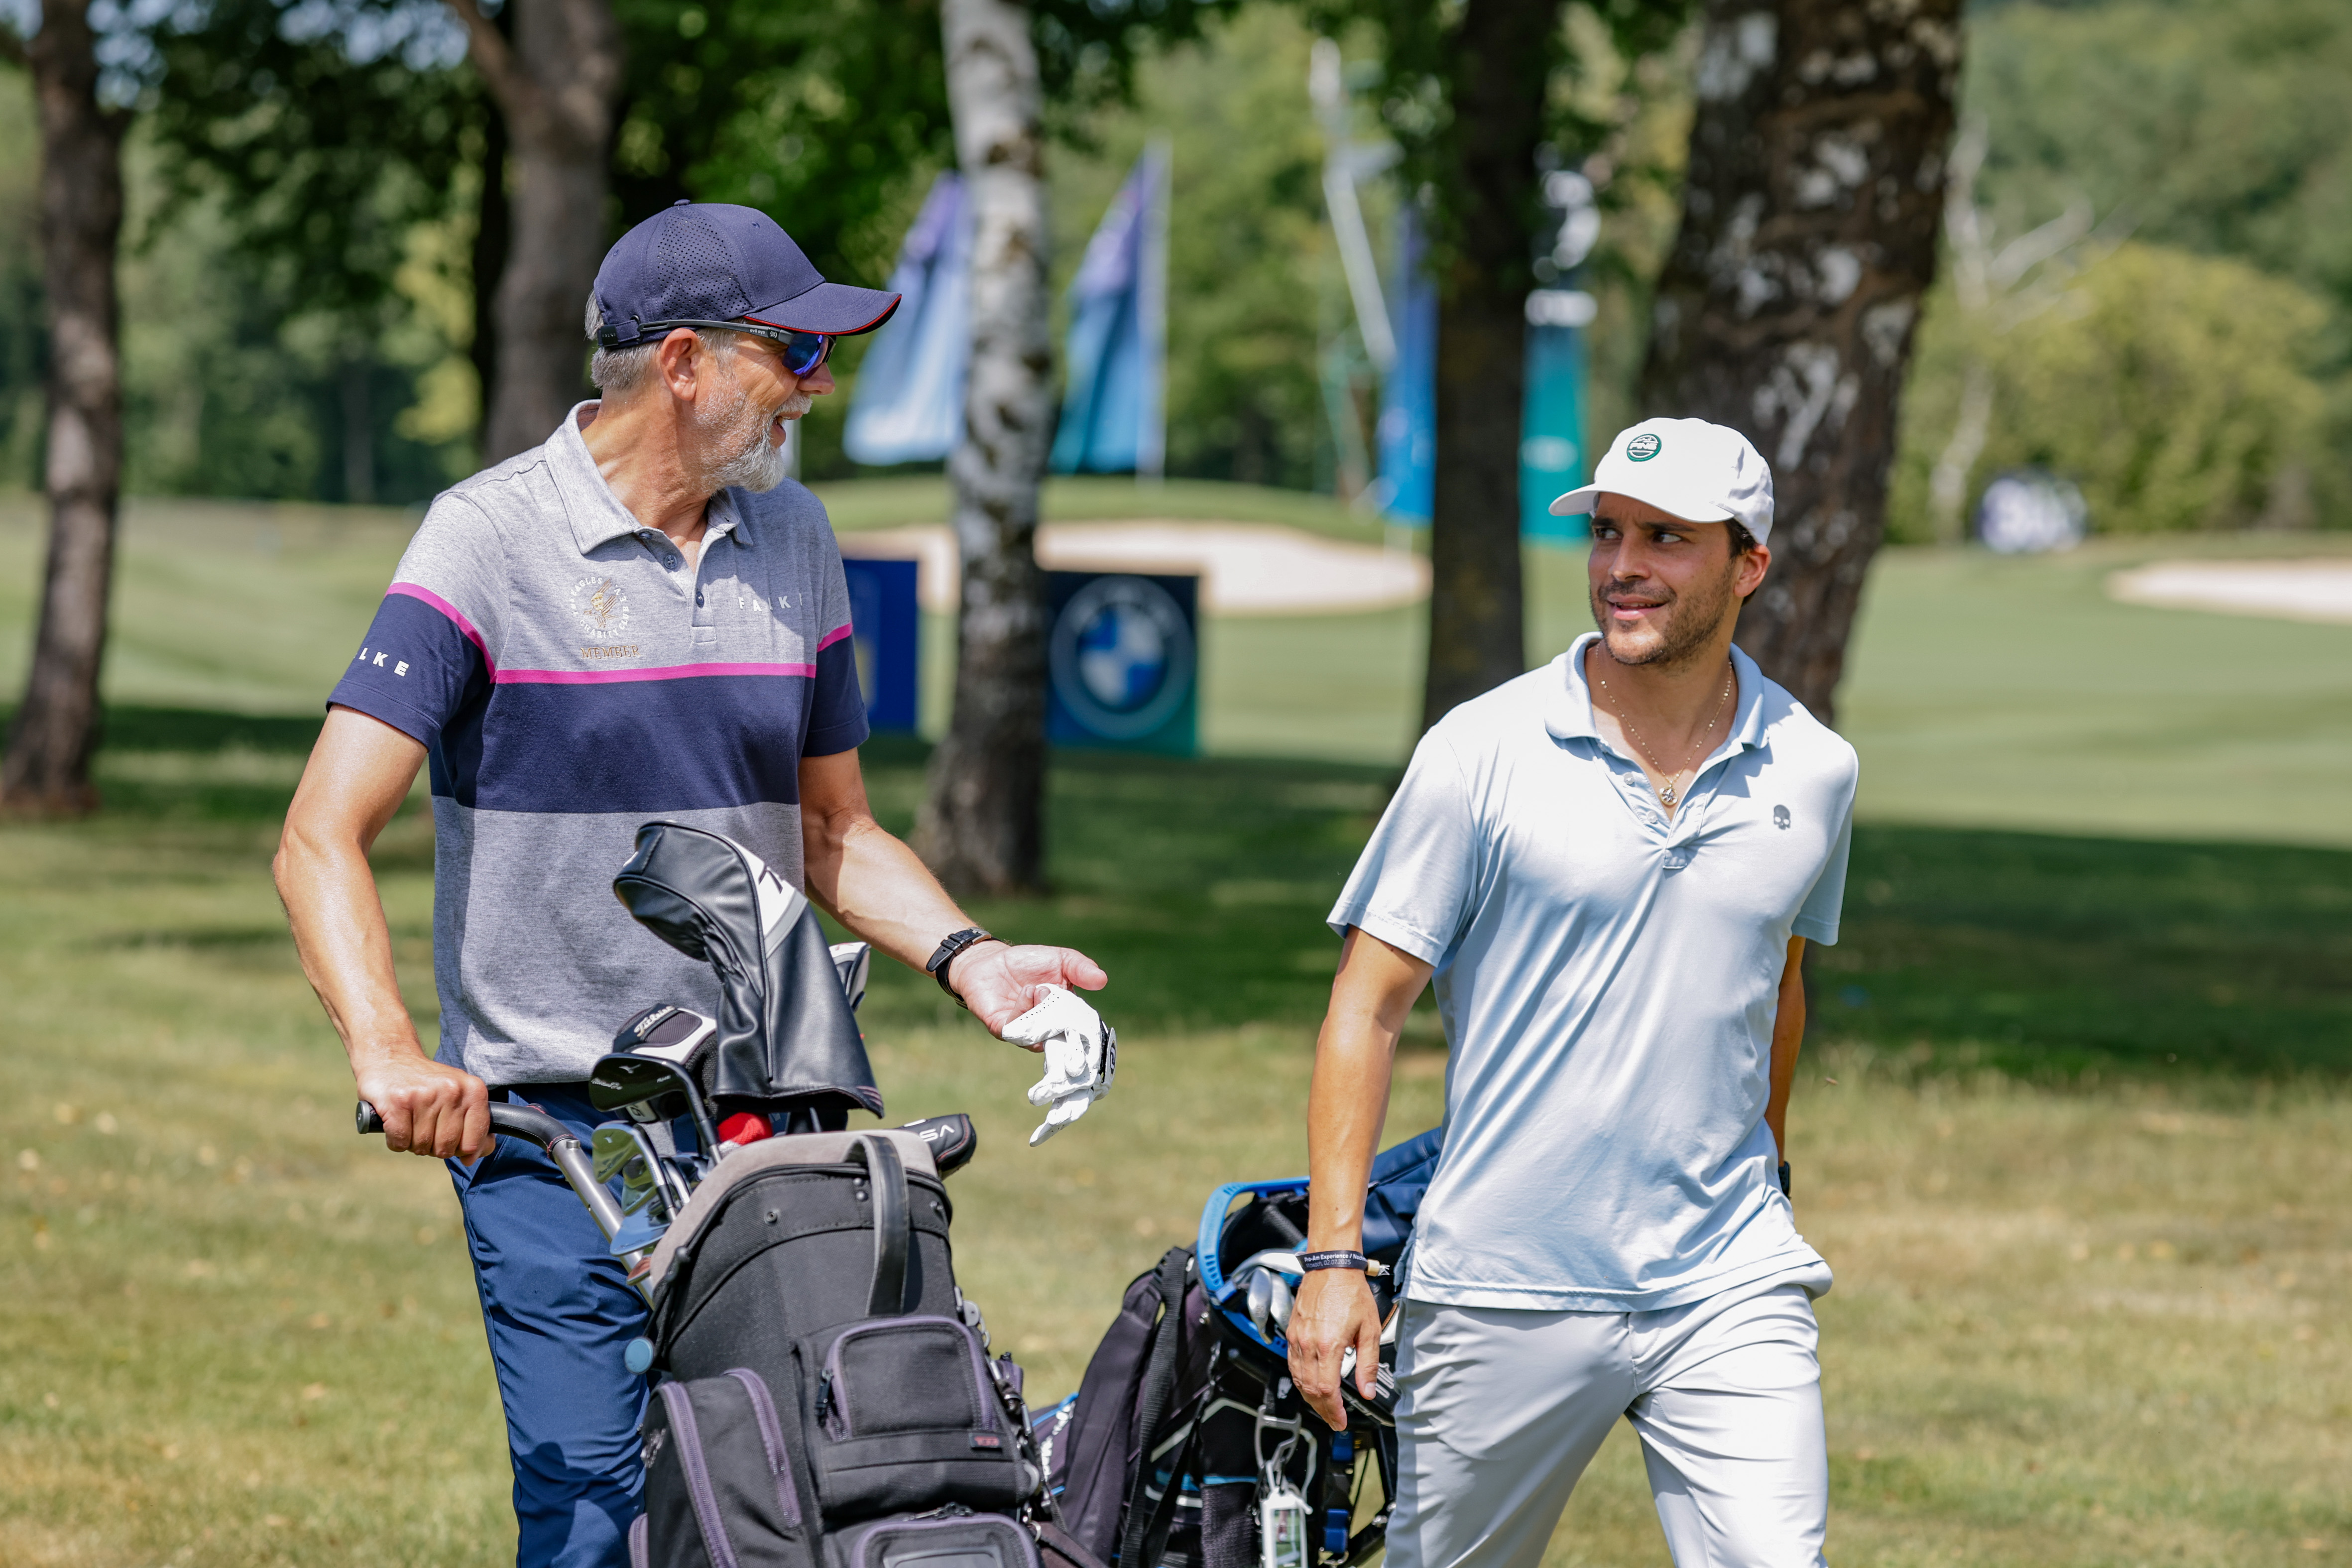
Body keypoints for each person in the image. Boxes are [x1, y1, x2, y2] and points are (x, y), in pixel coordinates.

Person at [273, 203, 1109, 1568]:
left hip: (771, 1122)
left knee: (806, 1496)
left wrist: (972, 957)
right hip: (557, 1133)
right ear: (682, 364)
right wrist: (386, 1047)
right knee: (597, 1524)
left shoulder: (798, 539)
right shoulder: (485, 538)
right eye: (793, 352)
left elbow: (831, 828)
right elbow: (319, 833)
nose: (817, 386)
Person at [1286, 417, 1857, 1568]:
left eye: (1665, 538)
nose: (1621, 566)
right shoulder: (1479, 750)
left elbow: (1776, 982)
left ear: (1748, 565)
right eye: (1606, 533)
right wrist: (1333, 1262)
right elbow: (1367, 1006)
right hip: (1503, 1282)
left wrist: (1771, 1175)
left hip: (1728, 1276)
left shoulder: (1815, 769)